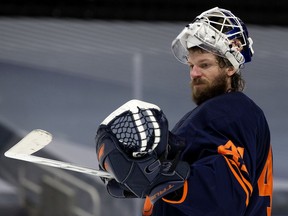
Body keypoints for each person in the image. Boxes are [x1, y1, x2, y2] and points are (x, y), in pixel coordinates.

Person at [95, 7, 273, 216]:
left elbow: (222, 200)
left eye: (204, 65)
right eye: (191, 65)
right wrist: (145, 170)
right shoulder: (229, 115)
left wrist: (158, 179)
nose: (194, 73)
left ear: (230, 68)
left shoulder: (230, 111)